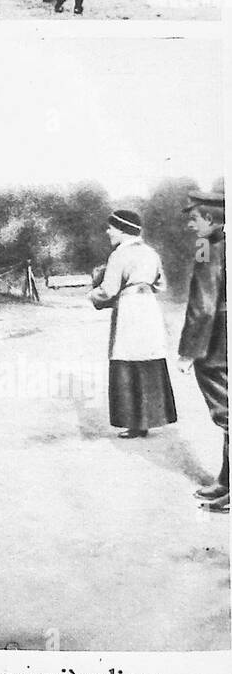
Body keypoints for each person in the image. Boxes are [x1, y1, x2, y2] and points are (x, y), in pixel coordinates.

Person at [89, 209, 176, 439]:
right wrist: (143, 285)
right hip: (149, 309)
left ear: (122, 229)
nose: (108, 232)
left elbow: (108, 290)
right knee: (148, 358)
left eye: (111, 227)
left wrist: (93, 295)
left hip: (129, 310)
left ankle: (134, 423)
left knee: (127, 360)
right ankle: (147, 419)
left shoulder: (119, 255)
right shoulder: (151, 253)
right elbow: (161, 285)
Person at [178, 191, 228, 511]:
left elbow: (203, 305)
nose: (190, 226)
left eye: (194, 218)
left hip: (216, 343)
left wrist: (189, 352)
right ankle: (226, 481)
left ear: (210, 220)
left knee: (226, 412)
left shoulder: (205, 247)